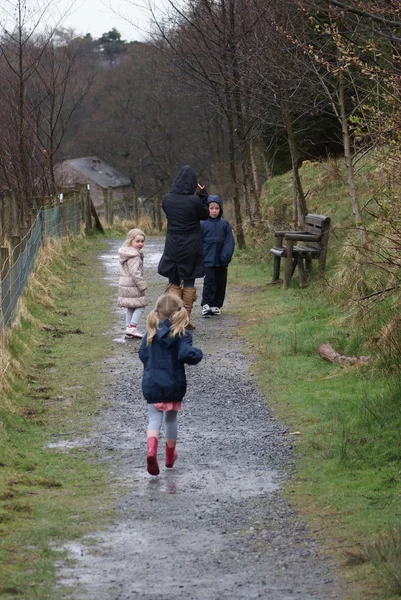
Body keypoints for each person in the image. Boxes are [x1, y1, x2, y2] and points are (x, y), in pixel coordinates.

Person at [138, 293, 203, 476]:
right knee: (171, 420)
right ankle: (169, 456)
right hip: (174, 384)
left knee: (154, 420)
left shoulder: (149, 334)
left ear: (157, 312)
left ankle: (151, 451)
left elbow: (143, 355)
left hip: (152, 384)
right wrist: (197, 353)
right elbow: (185, 354)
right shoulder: (182, 334)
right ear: (178, 312)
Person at [158, 165, 209, 329]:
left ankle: (174, 315)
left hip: (173, 243)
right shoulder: (194, 200)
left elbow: (168, 212)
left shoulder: (167, 199)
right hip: (191, 244)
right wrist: (202, 195)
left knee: (173, 278)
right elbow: (205, 214)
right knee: (189, 278)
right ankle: (185, 317)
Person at [200, 195, 235, 317]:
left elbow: (229, 241)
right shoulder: (202, 224)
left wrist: (226, 256)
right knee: (209, 281)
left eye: (216, 208)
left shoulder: (224, 224)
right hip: (208, 258)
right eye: (211, 208)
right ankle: (207, 304)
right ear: (207, 209)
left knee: (221, 282)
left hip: (221, 259)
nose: (214, 211)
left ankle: (216, 305)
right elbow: (199, 241)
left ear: (220, 210)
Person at [117, 228, 148, 339]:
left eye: (142, 241)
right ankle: (132, 327)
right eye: (137, 241)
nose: (140, 244)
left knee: (131, 307)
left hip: (126, 285)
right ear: (130, 241)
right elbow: (135, 273)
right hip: (133, 285)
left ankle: (128, 328)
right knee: (141, 306)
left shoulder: (127, 253)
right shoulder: (134, 256)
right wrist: (142, 285)